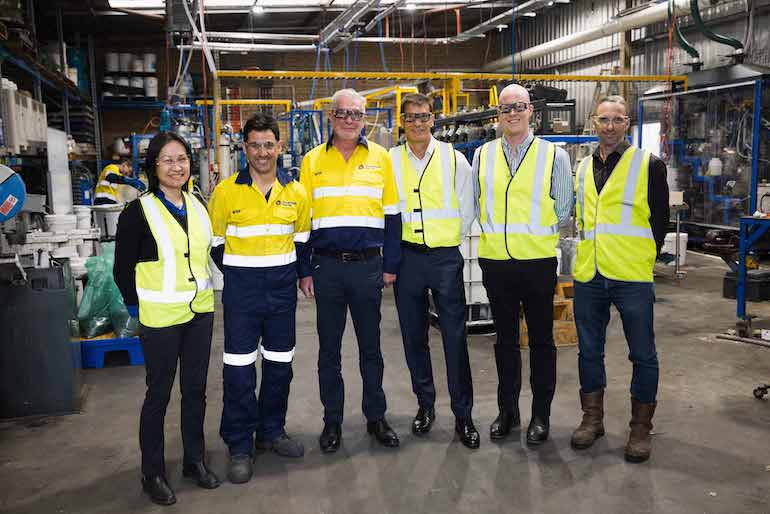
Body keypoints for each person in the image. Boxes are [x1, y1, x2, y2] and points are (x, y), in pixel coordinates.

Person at [113, 133, 220, 506]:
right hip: (159, 318)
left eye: (183, 159)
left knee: (195, 391)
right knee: (158, 394)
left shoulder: (198, 203)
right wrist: (134, 308)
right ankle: (152, 473)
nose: (177, 167)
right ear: (153, 167)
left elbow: (207, 255)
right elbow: (122, 269)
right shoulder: (138, 211)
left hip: (199, 313)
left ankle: (195, 461)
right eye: (168, 160)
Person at [208, 113, 311, 484]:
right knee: (238, 369)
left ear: (280, 147)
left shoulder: (296, 192)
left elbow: (301, 242)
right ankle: (239, 443)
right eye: (255, 144)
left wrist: (297, 278)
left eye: (269, 144)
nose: (263, 152)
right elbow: (216, 244)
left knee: (280, 365)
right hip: (242, 295)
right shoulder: (225, 192)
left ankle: (271, 431)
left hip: (282, 294)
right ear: (245, 147)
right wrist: (242, 274)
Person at [299, 88, 402, 453]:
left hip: (368, 268)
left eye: (356, 114)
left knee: (371, 348)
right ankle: (332, 421)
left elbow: (392, 216)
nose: (349, 120)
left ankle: (376, 417)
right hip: (326, 268)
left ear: (365, 118)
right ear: (330, 117)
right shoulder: (311, 162)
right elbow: (303, 222)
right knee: (329, 351)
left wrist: (390, 265)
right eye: (342, 113)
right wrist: (304, 270)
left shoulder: (382, 159)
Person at [472, 83, 573, 445]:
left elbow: (563, 209)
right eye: (505, 108)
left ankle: (541, 416)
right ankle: (508, 412)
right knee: (505, 342)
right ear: (497, 115)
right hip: (496, 263)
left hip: (537, 263)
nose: (512, 113)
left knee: (542, 342)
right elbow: (475, 202)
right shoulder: (482, 155)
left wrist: (532, 231)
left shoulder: (553, 156)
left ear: (531, 111)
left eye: (519, 107)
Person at [570, 95, 669, 463]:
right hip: (590, 274)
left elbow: (660, 220)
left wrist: (644, 256)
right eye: (603, 120)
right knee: (589, 351)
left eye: (616, 120)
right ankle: (592, 418)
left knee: (642, 353)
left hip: (631, 276)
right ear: (594, 123)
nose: (609, 127)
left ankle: (640, 428)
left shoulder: (648, 164)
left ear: (627, 123)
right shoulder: (581, 167)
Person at [389, 93, 479, 449]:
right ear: (402, 121)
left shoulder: (455, 160)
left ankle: (463, 414)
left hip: (444, 259)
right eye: (410, 118)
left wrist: (448, 242)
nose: (417, 123)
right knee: (414, 338)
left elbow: (468, 207)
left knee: (455, 338)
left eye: (423, 117)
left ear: (433, 120)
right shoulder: (389, 161)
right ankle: (425, 405)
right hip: (407, 260)